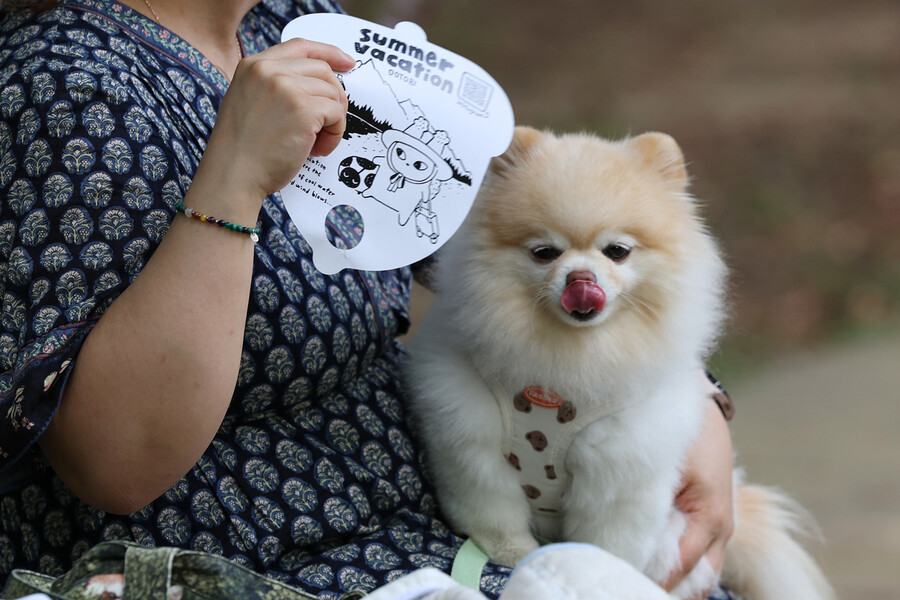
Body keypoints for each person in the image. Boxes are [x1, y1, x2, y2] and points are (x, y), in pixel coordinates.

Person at [0, 0, 737, 598]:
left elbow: (487, 246)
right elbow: (117, 464)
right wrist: (233, 178)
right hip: (266, 560)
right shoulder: (66, 81)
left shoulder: (289, 19)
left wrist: (683, 397)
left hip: (437, 517)